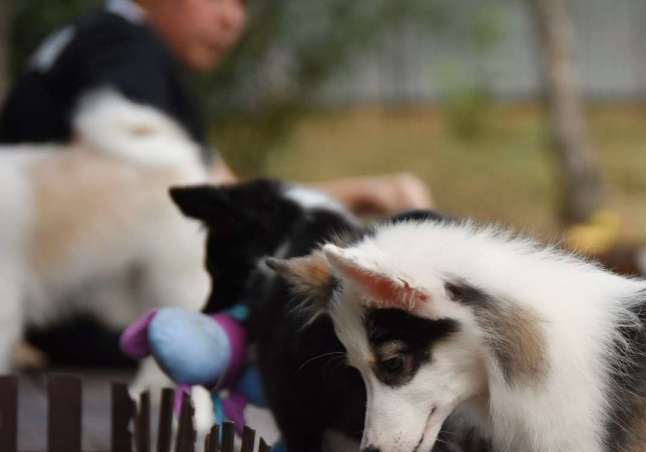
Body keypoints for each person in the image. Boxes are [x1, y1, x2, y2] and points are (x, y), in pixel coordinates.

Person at [1, 0, 432, 366]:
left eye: (242, 4)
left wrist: (361, 193)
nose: (232, 19)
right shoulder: (126, 46)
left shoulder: (106, 42)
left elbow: (229, 197)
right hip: (87, 323)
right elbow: (131, 170)